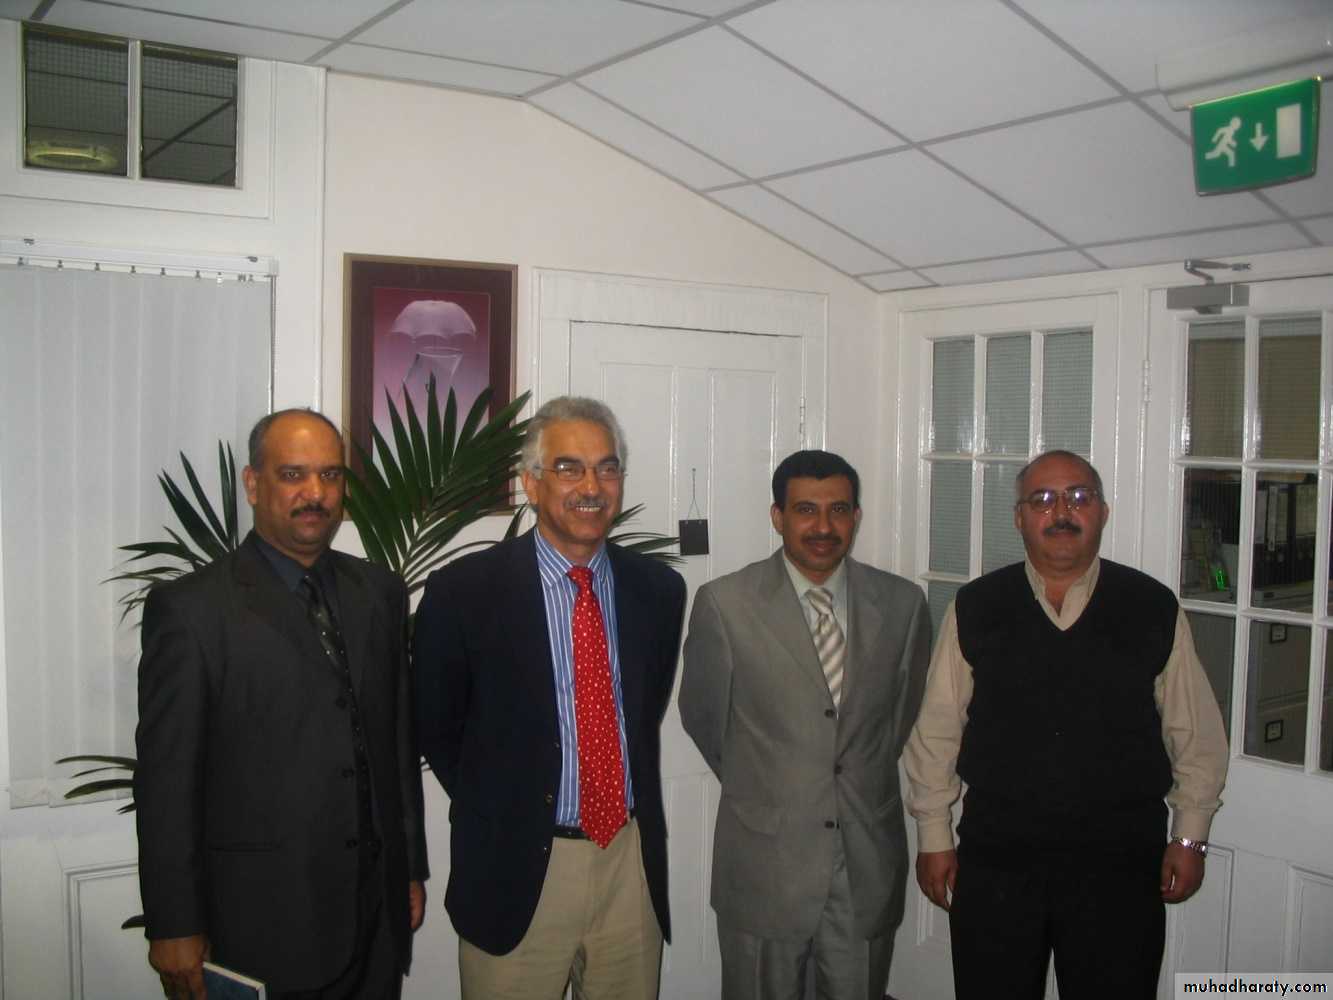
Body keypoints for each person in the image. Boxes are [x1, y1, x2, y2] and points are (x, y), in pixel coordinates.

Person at [904, 449, 1229, 999]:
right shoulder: (977, 606)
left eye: (1079, 497)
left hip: (1120, 861)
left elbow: (1194, 733)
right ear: (1019, 517)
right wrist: (933, 833)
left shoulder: (1151, 607)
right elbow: (936, 731)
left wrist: (1190, 836)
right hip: (998, 857)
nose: (1061, 512)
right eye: (1042, 500)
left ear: (1102, 511)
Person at [134, 409, 428, 1000]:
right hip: (262, 923)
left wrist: (409, 868)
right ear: (253, 483)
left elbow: (395, 745)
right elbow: (167, 782)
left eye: (330, 475)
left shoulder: (380, 593)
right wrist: (174, 922)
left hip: (375, 917)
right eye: (293, 474)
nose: (315, 493)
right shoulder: (191, 611)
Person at [413, 396, 686, 1000]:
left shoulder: (659, 591)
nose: (591, 487)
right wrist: (506, 802)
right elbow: (437, 726)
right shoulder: (465, 592)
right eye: (569, 468)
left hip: (629, 864)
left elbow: (643, 712)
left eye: (607, 468)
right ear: (531, 484)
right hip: (515, 868)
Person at [680, 449, 931, 1000]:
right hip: (764, 862)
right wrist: (774, 786)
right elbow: (704, 719)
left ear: (856, 516)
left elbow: (897, 719)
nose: (823, 526)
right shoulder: (726, 604)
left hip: (864, 863)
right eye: (805, 510)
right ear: (778, 516)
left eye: (838, 509)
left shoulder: (903, 605)